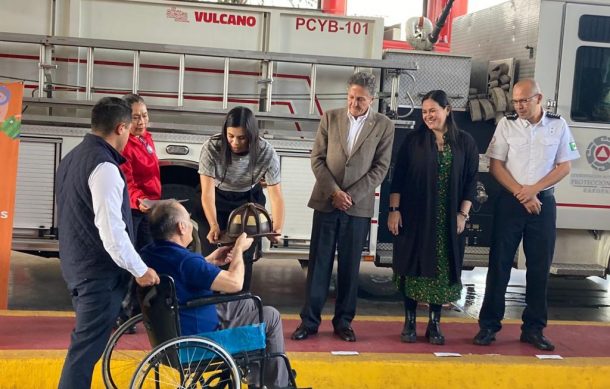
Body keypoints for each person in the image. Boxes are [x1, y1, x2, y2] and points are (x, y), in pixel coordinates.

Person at [55, 97, 160, 389]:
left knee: (86, 348)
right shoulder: (105, 168)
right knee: (84, 353)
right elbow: (112, 232)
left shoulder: (72, 158)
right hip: (96, 275)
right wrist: (140, 269)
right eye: (130, 128)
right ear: (121, 127)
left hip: (77, 266)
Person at [473, 79, 580, 351]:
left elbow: (564, 167)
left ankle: (533, 329)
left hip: (542, 205)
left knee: (539, 269)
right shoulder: (506, 125)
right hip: (510, 204)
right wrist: (522, 193)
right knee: (499, 266)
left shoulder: (558, 125)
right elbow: (496, 166)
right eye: (515, 101)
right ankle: (488, 326)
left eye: (524, 101)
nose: (519, 106)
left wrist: (533, 190)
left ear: (538, 98)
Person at [141, 199, 290, 389]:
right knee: (270, 315)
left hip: (176, 326)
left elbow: (185, 273)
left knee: (248, 305)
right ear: (181, 227)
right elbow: (235, 283)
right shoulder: (186, 261)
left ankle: (257, 379)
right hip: (200, 338)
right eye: (188, 219)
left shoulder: (150, 253)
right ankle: (279, 384)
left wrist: (210, 261)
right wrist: (238, 251)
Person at [292, 72, 395, 343]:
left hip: (357, 208)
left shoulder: (384, 125)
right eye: (351, 97)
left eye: (360, 99)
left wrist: (350, 195)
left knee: (350, 268)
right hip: (327, 202)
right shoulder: (331, 117)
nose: (354, 103)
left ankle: (344, 322)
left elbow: (380, 168)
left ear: (372, 99)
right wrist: (335, 192)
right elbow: (317, 159)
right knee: (319, 265)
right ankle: (309, 322)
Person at [387, 90, 479, 345]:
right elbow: (398, 178)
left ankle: (434, 324)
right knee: (411, 267)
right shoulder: (413, 140)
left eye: (433, 111)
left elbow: (471, 180)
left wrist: (463, 214)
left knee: (442, 271)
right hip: (414, 217)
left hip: (447, 220)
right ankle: (409, 322)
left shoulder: (465, 142)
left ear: (447, 110)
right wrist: (394, 211)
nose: (428, 116)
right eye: (424, 112)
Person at [197, 106, 284, 291]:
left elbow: (276, 195)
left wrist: (276, 228)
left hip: (249, 200)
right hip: (217, 197)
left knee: (243, 255)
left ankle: (240, 302)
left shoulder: (266, 152)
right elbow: (207, 192)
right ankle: (210, 304)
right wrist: (213, 224)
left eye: (242, 137)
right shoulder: (212, 147)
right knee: (212, 251)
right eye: (230, 136)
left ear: (251, 136)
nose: (235, 142)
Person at [116, 93, 162, 330]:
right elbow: (127, 181)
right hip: (135, 210)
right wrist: (139, 200)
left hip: (148, 209)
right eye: (135, 117)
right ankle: (121, 313)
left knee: (146, 257)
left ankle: (137, 310)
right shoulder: (126, 145)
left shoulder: (147, 139)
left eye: (144, 115)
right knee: (130, 260)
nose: (141, 121)